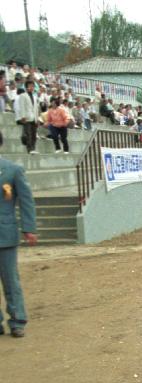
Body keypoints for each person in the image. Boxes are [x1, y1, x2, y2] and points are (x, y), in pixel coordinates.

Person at [0, 131, 38, 338]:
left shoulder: (12, 170)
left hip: (4, 234)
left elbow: (26, 200)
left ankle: (17, 319)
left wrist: (29, 228)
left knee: (10, 280)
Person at [14, 79, 38, 154]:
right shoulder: (22, 95)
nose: (32, 88)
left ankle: (33, 148)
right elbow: (22, 107)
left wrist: (37, 119)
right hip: (26, 117)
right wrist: (23, 116)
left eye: (33, 86)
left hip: (34, 118)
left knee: (34, 134)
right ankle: (30, 149)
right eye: (30, 86)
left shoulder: (35, 96)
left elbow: (36, 108)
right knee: (28, 134)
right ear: (26, 87)